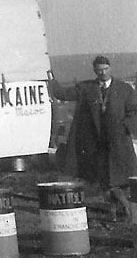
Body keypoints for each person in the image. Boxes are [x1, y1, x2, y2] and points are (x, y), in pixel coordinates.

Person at [50, 55, 137, 220]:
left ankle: (126, 210)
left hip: (118, 143)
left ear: (110, 68)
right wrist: (51, 80)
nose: (103, 72)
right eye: (99, 70)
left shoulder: (124, 89)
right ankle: (115, 213)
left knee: (118, 180)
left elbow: (134, 112)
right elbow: (63, 93)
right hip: (97, 144)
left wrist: (126, 126)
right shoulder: (87, 88)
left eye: (105, 69)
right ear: (95, 71)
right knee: (104, 181)